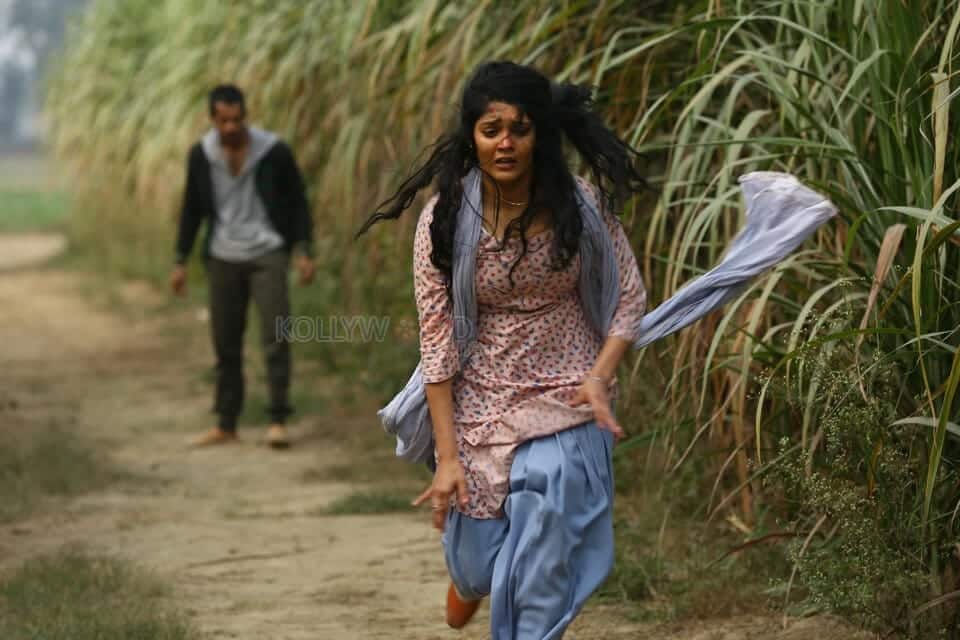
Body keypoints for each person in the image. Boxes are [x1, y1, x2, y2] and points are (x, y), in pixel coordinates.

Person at [358, 61, 647, 638]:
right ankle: (471, 582)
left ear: (541, 135)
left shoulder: (582, 206)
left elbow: (629, 298)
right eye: (492, 130)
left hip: (566, 390)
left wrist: (599, 376)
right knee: (478, 563)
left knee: (544, 534)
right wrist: (446, 458)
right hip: (481, 397)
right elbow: (437, 342)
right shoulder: (444, 221)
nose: (506, 143)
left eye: (520, 129)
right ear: (473, 137)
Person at [170, 84, 316, 448]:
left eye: (237, 120)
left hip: (268, 252)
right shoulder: (202, 155)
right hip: (222, 256)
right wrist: (180, 260)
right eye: (223, 121)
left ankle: (278, 419)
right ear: (212, 120)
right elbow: (191, 209)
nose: (231, 127)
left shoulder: (273, 151)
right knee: (226, 342)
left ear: (245, 116)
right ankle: (226, 423)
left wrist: (304, 250)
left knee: (276, 336)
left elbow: (298, 202)